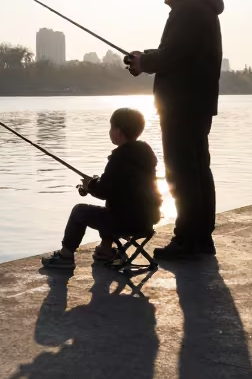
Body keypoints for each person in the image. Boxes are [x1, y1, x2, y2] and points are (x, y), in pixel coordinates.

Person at [126, 0, 224, 259]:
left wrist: (146, 62)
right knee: (198, 171)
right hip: (197, 103)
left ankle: (186, 241)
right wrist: (145, 58)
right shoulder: (201, 8)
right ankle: (201, 238)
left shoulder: (188, 9)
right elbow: (178, 52)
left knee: (181, 174)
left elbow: (173, 55)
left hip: (181, 104)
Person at [41, 107, 162, 269]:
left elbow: (103, 192)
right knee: (114, 206)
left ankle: (66, 256)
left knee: (80, 211)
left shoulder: (119, 158)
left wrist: (89, 185)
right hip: (147, 221)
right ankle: (105, 250)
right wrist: (94, 184)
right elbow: (119, 187)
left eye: (111, 127)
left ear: (118, 132)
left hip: (126, 223)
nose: (110, 131)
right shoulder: (145, 153)